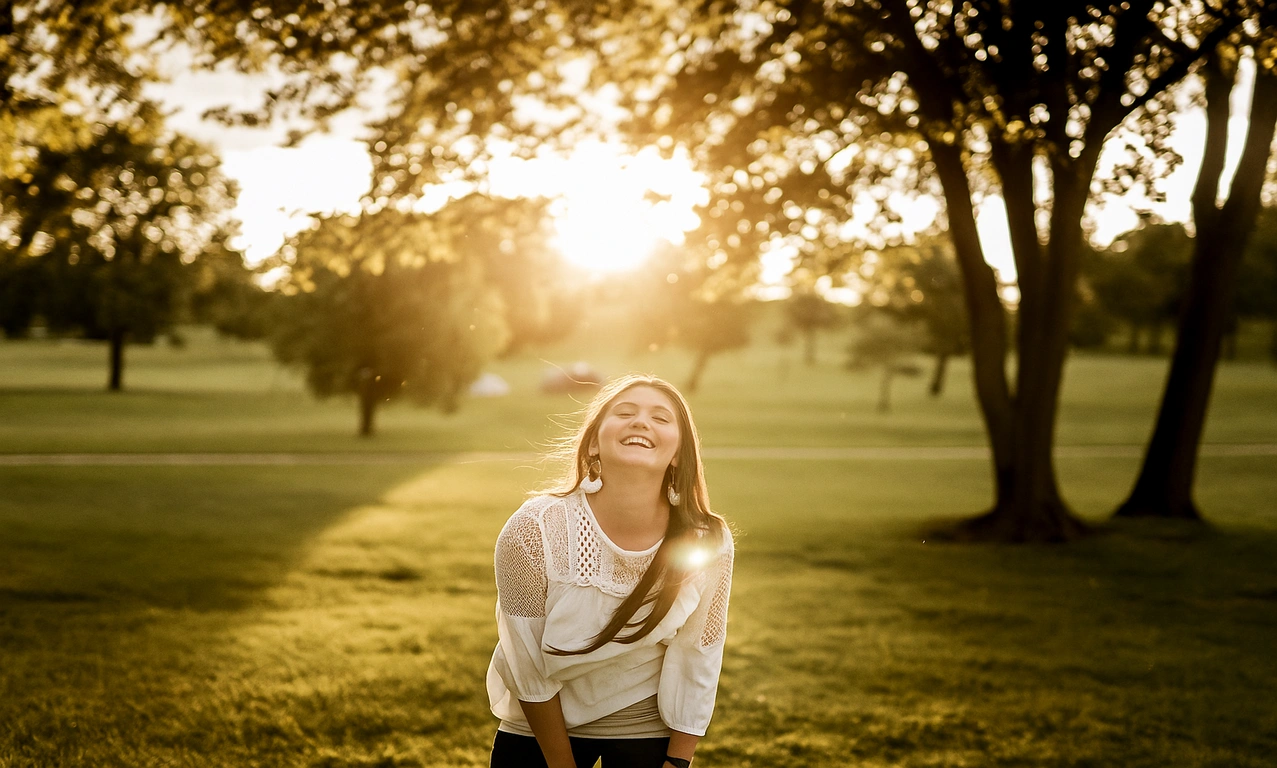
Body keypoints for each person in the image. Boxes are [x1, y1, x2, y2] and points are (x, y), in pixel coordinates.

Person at [487, 374, 735, 768]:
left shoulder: (708, 540)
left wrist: (677, 762)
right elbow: (524, 658)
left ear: (678, 454)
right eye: (625, 412)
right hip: (538, 732)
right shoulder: (534, 527)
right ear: (593, 443)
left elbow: (700, 651)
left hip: (646, 733)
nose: (641, 422)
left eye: (660, 418)